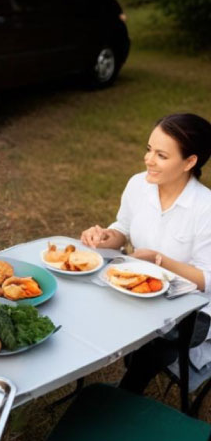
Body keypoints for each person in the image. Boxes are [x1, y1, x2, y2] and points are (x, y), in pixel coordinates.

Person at [80, 113, 211, 394]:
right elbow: (123, 229)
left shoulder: (206, 209)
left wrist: (160, 262)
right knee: (83, 298)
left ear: (190, 162)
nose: (148, 160)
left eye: (161, 155)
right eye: (148, 150)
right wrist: (105, 237)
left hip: (192, 307)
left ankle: (128, 392)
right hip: (140, 288)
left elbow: (206, 280)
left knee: (156, 341)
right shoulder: (139, 185)